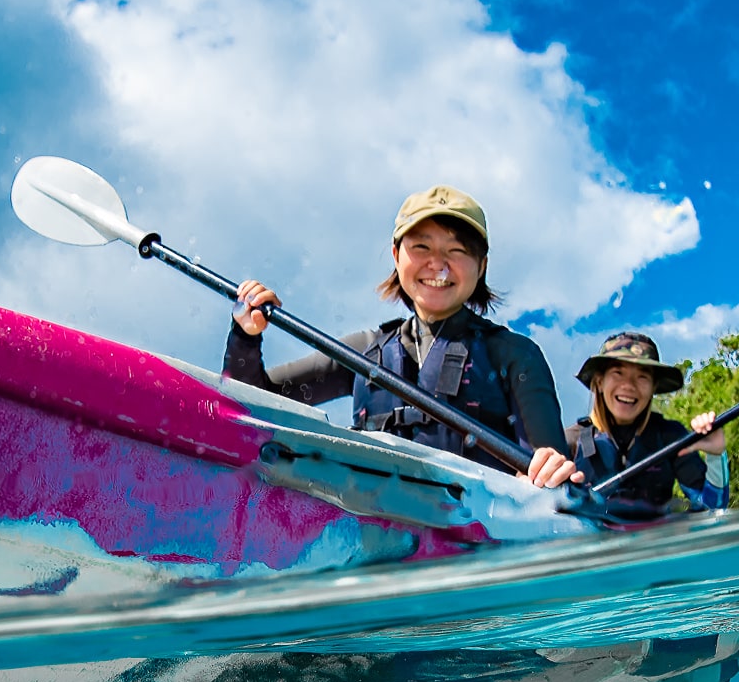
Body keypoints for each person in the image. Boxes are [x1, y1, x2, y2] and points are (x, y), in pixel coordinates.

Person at [223, 186, 580, 488]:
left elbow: (545, 468)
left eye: (456, 251)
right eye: (421, 247)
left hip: (474, 541)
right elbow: (253, 404)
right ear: (396, 256)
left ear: (481, 265)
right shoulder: (363, 352)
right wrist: (246, 336)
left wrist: (549, 470)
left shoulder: (515, 354)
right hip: (371, 535)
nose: (438, 264)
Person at [567, 331, 728, 516]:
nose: (628, 385)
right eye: (618, 373)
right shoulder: (570, 442)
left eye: (642, 376)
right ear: (600, 381)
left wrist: (716, 457)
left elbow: (713, 510)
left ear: (653, 387)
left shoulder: (671, 436)